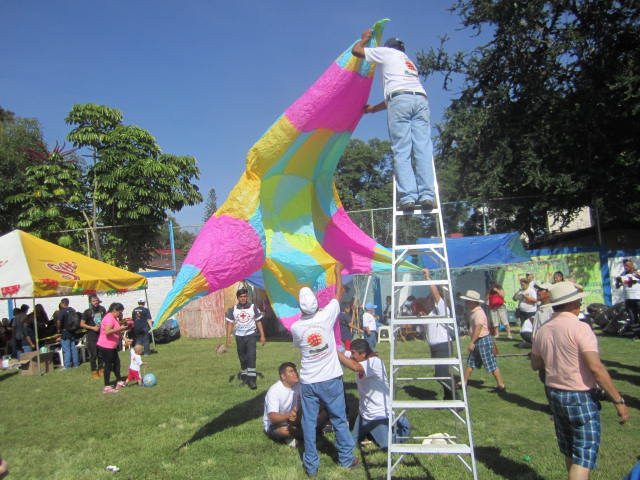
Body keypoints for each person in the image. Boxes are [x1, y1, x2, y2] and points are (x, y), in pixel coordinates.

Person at [531, 281, 629, 480]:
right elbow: (596, 368)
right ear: (569, 304)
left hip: (554, 392)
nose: (580, 306)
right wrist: (618, 400)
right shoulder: (580, 328)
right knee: (583, 455)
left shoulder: (543, 330)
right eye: (577, 302)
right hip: (580, 394)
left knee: (569, 448)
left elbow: (535, 364)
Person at [352, 30, 435, 212]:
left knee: (402, 150)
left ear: (388, 47)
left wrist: (365, 39)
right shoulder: (409, 63)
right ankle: (428, 195)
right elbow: (398, 94)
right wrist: (373, 109)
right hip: (420, 101)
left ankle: (408, 197)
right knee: (422, 148)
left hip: (400, 101)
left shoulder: (387, 52)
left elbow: (357, 52)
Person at [291, 261, 358, 477]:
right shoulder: (326, 316)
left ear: (300, 306)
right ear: (316, 303)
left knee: (309, 423)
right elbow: (338, 294)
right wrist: (338, 272)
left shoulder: (296, 327)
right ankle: (347, 459)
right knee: (339, 418)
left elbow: (299, 345)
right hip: (330, 378)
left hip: (309, 381)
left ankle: (311, 466)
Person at [348, 338, 391, 449]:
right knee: (351, 444)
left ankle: (400, 423)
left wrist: (338, 354)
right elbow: (344, 353)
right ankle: (370, 432)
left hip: (379, 415)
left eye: (353, 353)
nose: (351, 356)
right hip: (364, 414)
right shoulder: (361, 359)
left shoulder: (375, 362)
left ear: (363, 354)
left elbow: (355, 367)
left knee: (387, 447)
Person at [460, 290, 506, 392]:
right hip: (478, 340)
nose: (466, 303)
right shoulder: (473, 312)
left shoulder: (479, 313)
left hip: (483, 340)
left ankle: (501, 385)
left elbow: (478, 328)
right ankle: (463, 382)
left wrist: (472, 342)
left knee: (491, 363)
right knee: (470, 362)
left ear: (473, 302)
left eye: (468, 301)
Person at [420, 268, 455, 399]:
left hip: (443, 346)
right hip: (435, 347)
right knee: (442, 374)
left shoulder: (442, 308)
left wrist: (428, 278)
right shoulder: (433, 312)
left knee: (441, 374)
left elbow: (435, 294)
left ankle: (456, 398)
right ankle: (448, 397)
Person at [225, 288, 266, 390]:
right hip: (239, 336)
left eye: (245, 296)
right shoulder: (233, 309)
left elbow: (258, 322)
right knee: (242, 357)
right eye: (241, 297)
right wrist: (228, 338)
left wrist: (262, 335)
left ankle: (252, 380)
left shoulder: (253, 307)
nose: (243, 298)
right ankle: (244, 377)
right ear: (238, 298)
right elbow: (230, 324)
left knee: (251, 356)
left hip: (251, 335)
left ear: (247, 297)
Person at [263, 362, 301, 447]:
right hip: (275, 425)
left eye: (295, 371)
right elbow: (273, 418)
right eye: (291, 372)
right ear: (283, 376)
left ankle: (297, 436)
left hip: (294, 419)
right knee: (285, 430)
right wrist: (290, 415)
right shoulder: (274, 391)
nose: (295, 373)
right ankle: (294, 437)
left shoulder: (299, 385)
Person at [97, 302, 129, 394]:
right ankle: (107, 386)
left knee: (117, 363)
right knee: (108, 365)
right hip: (106, 346)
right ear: (114, 310)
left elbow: (117, 332)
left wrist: (124, 338)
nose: (120, 314)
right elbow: (107, 331)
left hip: (112, 346)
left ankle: (119, 381)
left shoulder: (114, 318)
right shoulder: (108, 318)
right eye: (120, 312)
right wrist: (120, 328)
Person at [80, 294, 107, 379]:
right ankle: (94, 371)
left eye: (97, 300)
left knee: (101, 354)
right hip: (92, 336)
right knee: (93, 355)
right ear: (90, 302)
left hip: (101, 334)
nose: (96, 302)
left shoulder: (102, 309)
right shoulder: (87, 312)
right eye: (94, 301)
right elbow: (82, 324)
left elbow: (106, 320)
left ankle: (101, 369)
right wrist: (92, 327)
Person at [615, 259, 640, 337]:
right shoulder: (622, 275)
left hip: (638, 298)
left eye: (628, 265)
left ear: (632, 265)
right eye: (625, 266)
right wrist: (618, 281)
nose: (626, 267)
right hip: (628, 299)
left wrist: (637, 274)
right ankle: (636, 334)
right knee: (633, 317)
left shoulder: (637, 272)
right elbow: (617, 286)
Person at [55, 298, 79, 369]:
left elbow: (59, 321)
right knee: (73, 348)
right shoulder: (73, 310)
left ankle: (67, 365)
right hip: (73, 331)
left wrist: (58, 329)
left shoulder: (62, 311)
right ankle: (76, 364)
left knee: (66, 349)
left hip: (65, 332)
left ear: (62, 304)